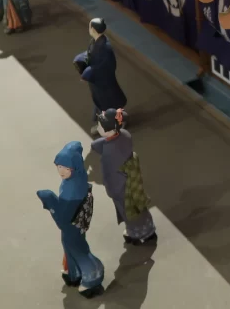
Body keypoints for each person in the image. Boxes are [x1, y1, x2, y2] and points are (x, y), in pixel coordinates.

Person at [36, 141, 104, 299]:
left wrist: (49, 199)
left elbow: (63, 219)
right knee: (73, 246)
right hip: (78, 225)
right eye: (59, 166)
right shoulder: (78, 179)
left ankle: (93, 276)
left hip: (71, 226)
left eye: (66, 168)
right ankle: (73, 273)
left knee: (77, 249)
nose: (61, 171)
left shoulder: (71, 190)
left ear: (74, 167)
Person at [91, 108, 157, 246]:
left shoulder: (109, 153)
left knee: (128, 210)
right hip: (132, 179)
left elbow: (109, 174)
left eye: (100, 126)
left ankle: (137, 234)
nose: (98, 128)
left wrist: (111, 191)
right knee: (139, 205)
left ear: (109, 130)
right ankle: (149, 229)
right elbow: (98, 144)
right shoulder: (125, 135)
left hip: (120, 185)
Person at [74, 19, 127, 136]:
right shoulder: (95, 42)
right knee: (102, 103)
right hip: (97, 81)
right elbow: (91, 56)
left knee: (109, 103)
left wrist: (87, 73)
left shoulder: (105, 47)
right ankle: (105, 124)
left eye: (89, 27)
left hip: (104, 81)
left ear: (93, 29)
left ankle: (118, 122)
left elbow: (103, 66)